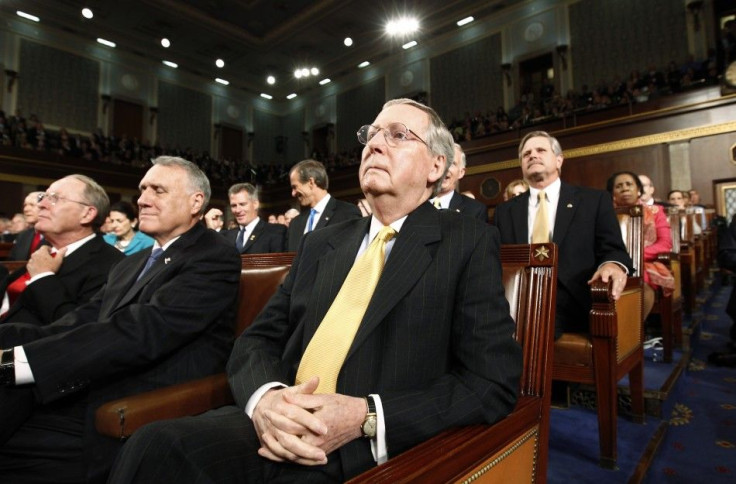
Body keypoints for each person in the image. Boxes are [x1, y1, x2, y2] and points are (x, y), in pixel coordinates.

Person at [109, 99, 522, 483]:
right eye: (371, 134)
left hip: (359, 446)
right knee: (154, 446)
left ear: (436, 166)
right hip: (276, 421)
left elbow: (491, 381)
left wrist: (367, 416)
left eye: (397, 135)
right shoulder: (322, 242)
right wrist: (266, 401)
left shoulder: (465, 241)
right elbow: (257, 339)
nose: (375, 144)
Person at [0, 157, 241, 483]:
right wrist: (9, 342)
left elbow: (144, 330)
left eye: (158, 189)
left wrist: (19, 362)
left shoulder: (213, 254)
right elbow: (79, 321)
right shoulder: (132, 263)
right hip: (93, 382)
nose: (142, 199)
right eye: (142, 189)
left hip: (140, 398)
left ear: (195, 201)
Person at [494, 131, 632, 337]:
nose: (533, 156)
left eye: (541, 150)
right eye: (526, 154)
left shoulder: (593, 201)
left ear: (559, 160)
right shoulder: (505, 211)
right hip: (518, 300)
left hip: (574, 298)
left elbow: (613, 250)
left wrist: (611, 265)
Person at [1, 175, 124, 326]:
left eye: (55, 198)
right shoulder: (43, 253)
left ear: (87, 214)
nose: (41, 204)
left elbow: (78, 331)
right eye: (43, 196)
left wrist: (43, 277)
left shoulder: (113, 266)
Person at [607, 171, 674, 318]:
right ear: (612, 192)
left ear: (638, 190)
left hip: (646, 263)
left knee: (640, 284)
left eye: (629, 184)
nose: (625, 188)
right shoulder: (605, 213)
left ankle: (632, 333)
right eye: (619, 186)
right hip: (611, 263)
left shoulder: (656, 211)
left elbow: (665, 243)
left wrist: (633, 256)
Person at [286, 159, 361, 251]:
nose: (293, 193)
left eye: (295, 187)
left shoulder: (347, 213)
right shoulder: (295, 224)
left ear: (311, 182)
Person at [220, 183, 286, 254]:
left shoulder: (275, 232)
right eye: (233, 206)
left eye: (242, 204)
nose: (237, 210)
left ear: (255, 204)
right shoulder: (226, 236)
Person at [429, 143, 488, 222]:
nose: (445, 168)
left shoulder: (475, 210)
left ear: (461, 172)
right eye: (441, 161)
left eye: (452, 163)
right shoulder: (414, 203)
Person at [8, 191, 44, 261]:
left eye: (32, 205)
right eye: (25, 205)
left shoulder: (58, 235)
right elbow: (12, 263)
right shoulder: (23, 236)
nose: (26, 209)